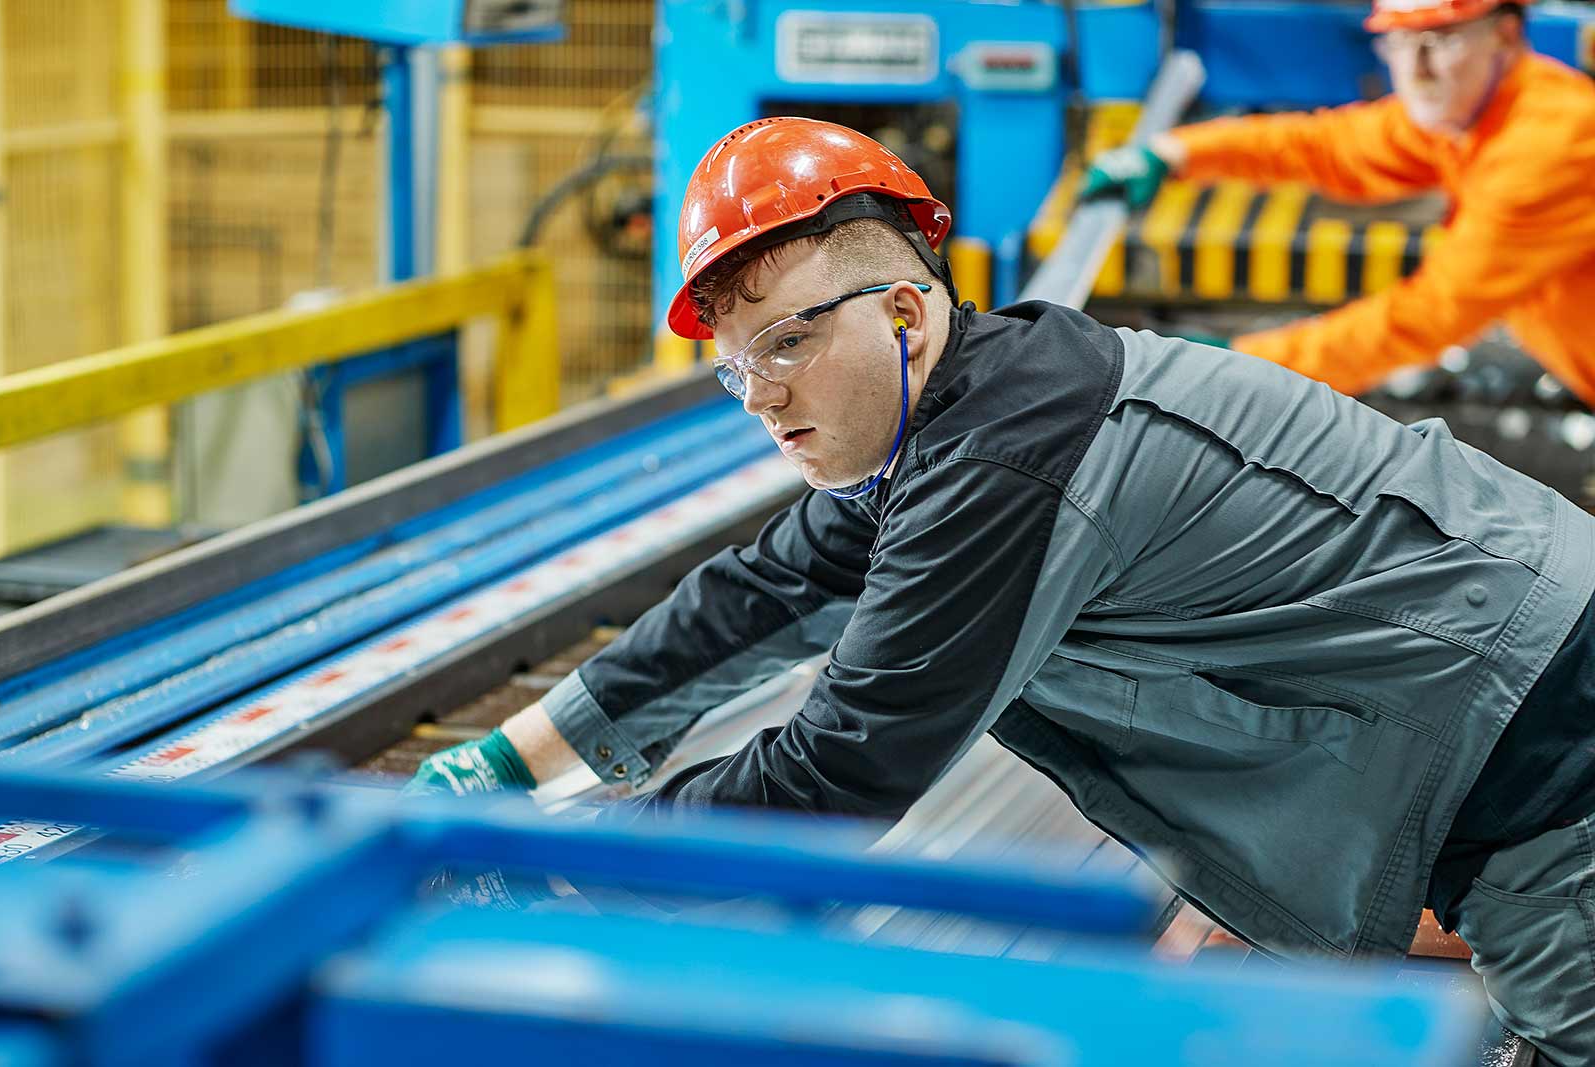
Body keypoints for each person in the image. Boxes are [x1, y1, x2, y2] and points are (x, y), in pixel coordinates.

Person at [408, 116, 1595, 1061]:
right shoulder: (979, 410)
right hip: (1492, 714)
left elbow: (847, 759)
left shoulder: (1003, 460)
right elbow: (760, 591)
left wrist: (592, 860)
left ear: (906, 313)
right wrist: (514, 761)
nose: (761, 396)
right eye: (732, 367)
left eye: (785, 342)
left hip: (1544, 740)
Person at [1080, 0, 1595, 405]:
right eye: (1400, 41)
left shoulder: (1551, 143)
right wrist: (1175, 153)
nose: (1417, 69)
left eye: (1440, 40)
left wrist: (1246, 363)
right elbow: (1328, 146)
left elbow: (1429, 314)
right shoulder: (1472, 113)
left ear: (1505, 35)